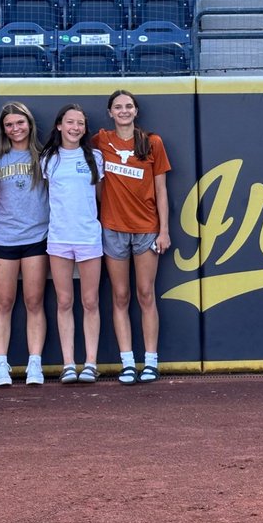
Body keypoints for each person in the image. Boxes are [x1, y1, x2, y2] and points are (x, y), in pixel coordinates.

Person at [93, 90, 172, 385]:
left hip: (146, 228)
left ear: (136, 111)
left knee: (145, 294)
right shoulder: (101, 140)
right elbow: (67, 145)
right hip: (112, 228)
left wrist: (164, 230)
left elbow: (161, 189)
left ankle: (150, 360)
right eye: (118, 107)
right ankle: (127, 361)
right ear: (110, 112)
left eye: (128, 106)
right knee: (120, 296)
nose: (124, 111)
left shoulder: (152, 142)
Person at [41, 104, 104, 385]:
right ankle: (69, 363)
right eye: (70, 122)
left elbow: (100, 197)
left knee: (90, 301)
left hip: (88, 237)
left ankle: (90, 363)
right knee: (64, 301)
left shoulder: (95, 158)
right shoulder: (48, 159)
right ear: (59, 125)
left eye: (80, 123)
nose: (75, 127)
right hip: (58, 238)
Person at [0, 101, 50, 388]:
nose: (15, 129)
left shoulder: (46, 156)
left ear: (29, 123)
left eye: (19, 123)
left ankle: (34, 363)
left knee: (34, 302)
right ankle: (0, 364)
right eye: (9, 125)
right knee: (3, 302)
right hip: (4, 237)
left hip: (37, 237)